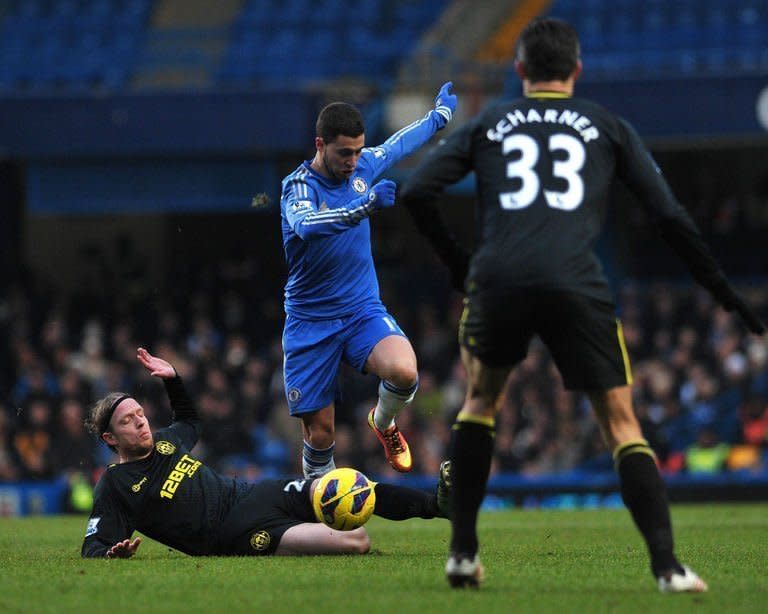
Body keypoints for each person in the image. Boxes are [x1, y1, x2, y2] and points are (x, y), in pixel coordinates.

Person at [400, 17, 765, 591]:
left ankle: (463, 554)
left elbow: (417, 190)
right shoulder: (605, 125)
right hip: (576, 281)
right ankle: (667, 569)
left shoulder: (491, 121)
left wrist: (460, 266)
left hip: (498, 279)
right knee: (621, 423)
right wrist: (726, 295)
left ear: (519, 71)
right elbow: (669, 216)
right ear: (576, 71)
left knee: (480, 402)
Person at [81, 348, 449, 559]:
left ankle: (439, 504)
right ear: (112, 439)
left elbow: (190, 420)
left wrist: (174, 379)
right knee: (357, 540)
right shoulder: (115, 483)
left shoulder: (165, 442)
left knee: (350, 484)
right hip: (233, 534)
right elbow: (93, 544)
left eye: (141, 414)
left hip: (252, 494)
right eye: (129, 421)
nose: (141, 423)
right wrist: (112, 554)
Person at [279, 82, 457, 477]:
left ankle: (383, 422)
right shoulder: (298, 187)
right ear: (320, 144)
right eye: (345, 153)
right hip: (311, 322)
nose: (354, 162)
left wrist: (438, 118)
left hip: (360, 311)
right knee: (322, 435)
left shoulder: (361, 166)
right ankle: (318, 516)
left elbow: (396, 145)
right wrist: (364, 206)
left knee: (405, 371)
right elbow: (307, 226)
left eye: (359, 151)